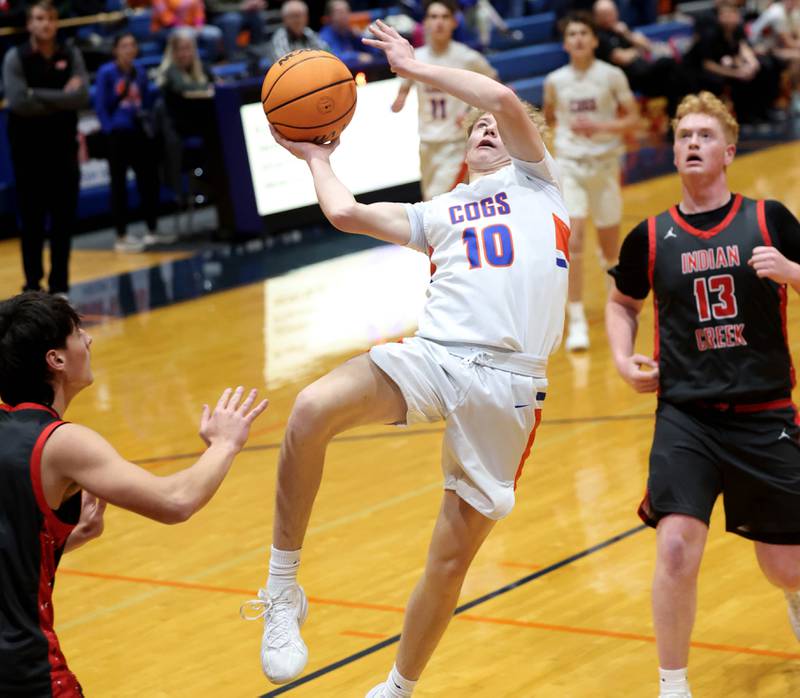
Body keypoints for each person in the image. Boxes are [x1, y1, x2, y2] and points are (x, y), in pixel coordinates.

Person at [241, 18, 570, 698]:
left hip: (508, 386)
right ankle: (282, 589)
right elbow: (346, 214)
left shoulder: (541, 185)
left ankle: (397, 689)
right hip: (436, 356)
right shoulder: (441, 210)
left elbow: (502, 99)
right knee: (309, 410)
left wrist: (413, 67)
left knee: (449, 561)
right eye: (477, 127)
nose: (487, 127)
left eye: (496, 127)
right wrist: (313, 157)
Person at [605, 91, 800, 698]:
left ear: (729, 151)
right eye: (683, 135)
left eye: (705, 135)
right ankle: (674, 685)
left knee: (786, 566)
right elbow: (621, 302)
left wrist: (793, 273)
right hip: (686, 415)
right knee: (676, 546)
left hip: (764, 412)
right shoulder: (651, 235)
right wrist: (621, 358)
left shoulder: (769, 220)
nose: (692, 143)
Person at [0, 291, 268, 695]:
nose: (89, 339)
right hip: (27, 675)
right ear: (56, 360)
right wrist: (225, 444)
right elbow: (176, 501)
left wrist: (64, 540)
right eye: (78, 333)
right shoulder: (62, 442)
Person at [543, 12, 637, 351]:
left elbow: (633, 118)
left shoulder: (611, 75)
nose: (579, 39)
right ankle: (577, 318)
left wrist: (601, 128)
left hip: (605, 165)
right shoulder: (555, 80)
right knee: (574, 243)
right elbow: (550, 118)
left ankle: (617, 308)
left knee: (610, 250)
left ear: (595, 40)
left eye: (584, 33)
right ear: (565, 43)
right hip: (571, 166)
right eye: (572, 34)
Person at [2, 0, 88, 298]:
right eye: (39, 18)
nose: (46, 24)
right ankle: (32, 287)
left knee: (63, 222)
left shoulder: (70, 53)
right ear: (29, 24)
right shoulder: (16, 56)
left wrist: (37, 94)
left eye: (50, 18)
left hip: (63, 151)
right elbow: (18, 102)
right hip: (29, 153)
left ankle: (60, 286)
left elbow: (81, 97)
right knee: (32, 224)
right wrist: (60, 98)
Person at [390, 0, 497, 200]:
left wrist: (472, 113)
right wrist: (399, 100)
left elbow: (495, 88)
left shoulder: (467, 57)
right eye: (433, 17)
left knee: (437, 199)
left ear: (454, 22)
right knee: (431, 200)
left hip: (455, 143)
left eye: (445, 17)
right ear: (425, 23)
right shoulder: (416, 58)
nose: (439, 22)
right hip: (426, 141)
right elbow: (404, 88)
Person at [95, 33, 173, 253]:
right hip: (118, 133)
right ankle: (121, 235)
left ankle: (152, 230)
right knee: (118, 185)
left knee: (148, 181)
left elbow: (145, 100)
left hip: (138, 131)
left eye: (132, 45)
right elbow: (100, 105)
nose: (129, 49)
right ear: (115, 50)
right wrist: (109, 129)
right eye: (124, 45)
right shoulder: (106, 72)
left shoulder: (139, 71)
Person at [155, 28, 236, 232]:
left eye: (188, 49)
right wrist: (205, 92)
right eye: (181, 49)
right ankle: (211, 183)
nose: (185, 53)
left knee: (223, 138)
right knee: (217, 144)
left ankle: (230, 202)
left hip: (207, 132)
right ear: (173, 52)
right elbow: (187, 100)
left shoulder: (202, 69)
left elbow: (217, 87)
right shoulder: (169, 75)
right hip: (183, 137)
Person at [689, 0, 781, 125]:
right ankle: (742, 117)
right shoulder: (711, 34)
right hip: (699, 70)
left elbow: (740, 48)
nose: (730, 18)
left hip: (724, 64)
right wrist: (736, 72)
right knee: (733, 80)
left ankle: (762, 110)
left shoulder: (737, 30)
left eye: (733, 14)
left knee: (761, 68)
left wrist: (751, 64)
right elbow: (708, 64)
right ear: (719, 17)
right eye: (726, 15)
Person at [593, 0, 691, 115]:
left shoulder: (621, 29)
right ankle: (683, 106)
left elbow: (647, 46)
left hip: (646, 72)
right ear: (596, 17)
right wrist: (638, 51)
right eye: (604, 14)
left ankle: (676, 113)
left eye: (610, 13)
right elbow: (621, 58)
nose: (608, 17)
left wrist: (627, 33)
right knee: (667, 63)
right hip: (630, 79)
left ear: (616, 13)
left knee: (673, 79)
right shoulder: (599, 36)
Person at [319, 0, 375, 67]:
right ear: (329, 16)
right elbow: (334, 57)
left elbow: (374, 51)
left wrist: (360, 36)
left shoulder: (350, 32)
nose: (344, 15)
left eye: (346, 11)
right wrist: (357, 56)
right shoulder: (324, 36)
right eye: (339, 12)